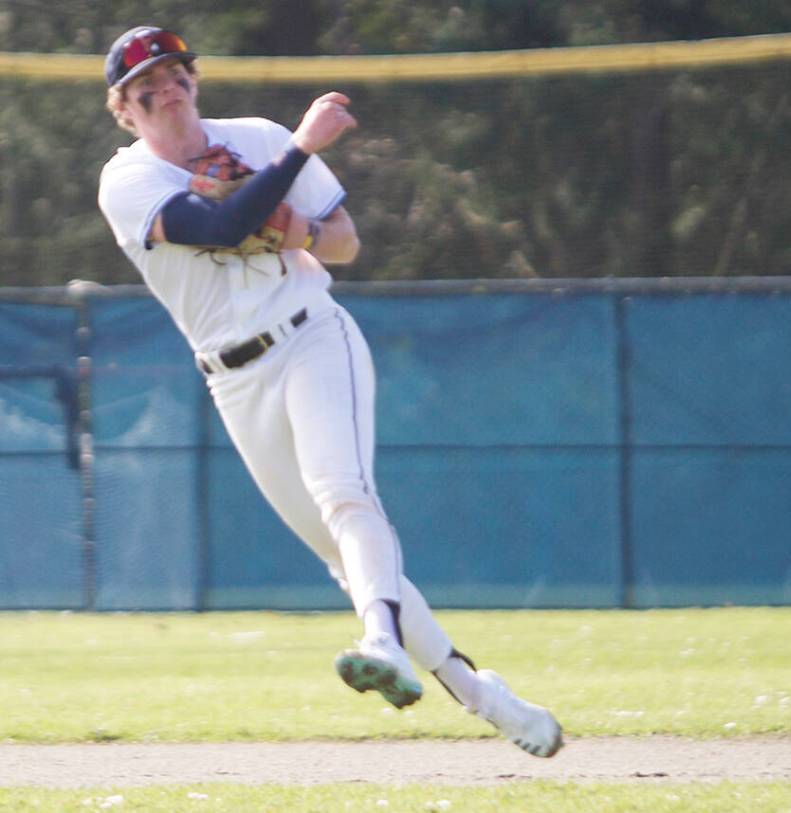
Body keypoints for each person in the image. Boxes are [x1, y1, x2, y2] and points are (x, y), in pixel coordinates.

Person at [97, 25, 562, 758]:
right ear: (123, 110)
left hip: (312, 334)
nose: (166, 91)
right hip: (234, 378)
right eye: (145, 88)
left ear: (195, 80)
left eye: (176, 74)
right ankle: (487, 696)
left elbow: (343, 241)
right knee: (347, 559)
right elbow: (219, 224)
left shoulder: (254, 135)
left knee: (347, 497)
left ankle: (381, 639)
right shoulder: (127, 180)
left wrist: (295, 223)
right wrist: (301, 151)